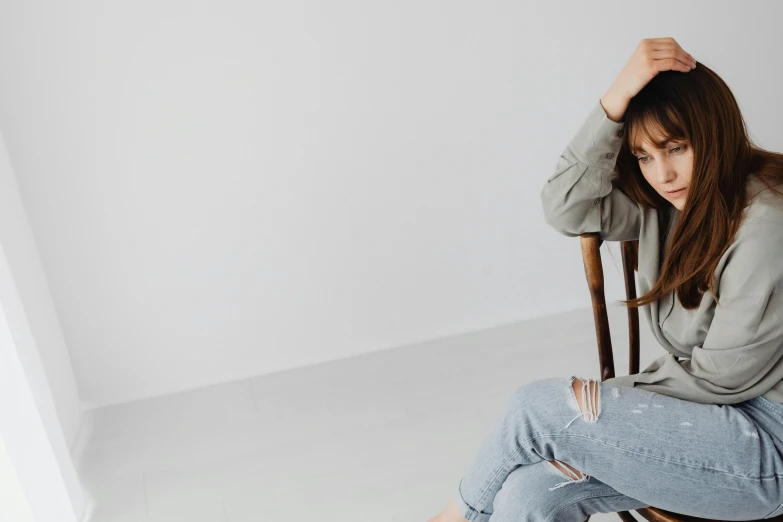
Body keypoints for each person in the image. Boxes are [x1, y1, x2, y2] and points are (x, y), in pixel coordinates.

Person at [428, 38, 783, 522]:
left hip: (766, 449)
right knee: (528, 496)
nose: (663, 174)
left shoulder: (766, 225)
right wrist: (615, 99)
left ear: (714, 134)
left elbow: (724, 376)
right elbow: (565, 206)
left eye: (676, 148)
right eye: (643, 156)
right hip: (708, 420)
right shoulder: (667, 205)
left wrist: (605, 404)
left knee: (539, 407)